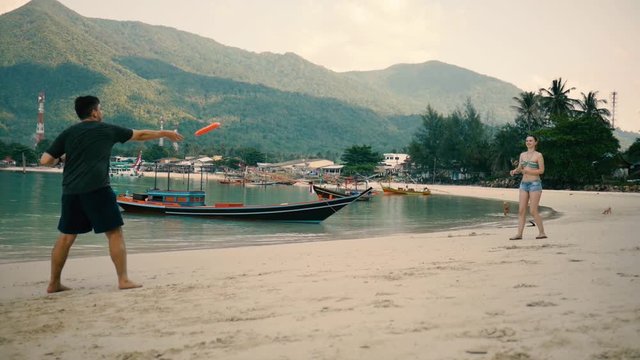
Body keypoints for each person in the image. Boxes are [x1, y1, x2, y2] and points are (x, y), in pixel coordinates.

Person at [40, 95, 184, 293]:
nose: (102, 112)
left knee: (66, 237)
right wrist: (165, 133)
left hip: (71, 191)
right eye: (100, 108)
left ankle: (53, 283)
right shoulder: (106, 129)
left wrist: (62, 159)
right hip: (98, 189)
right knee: (114, 233)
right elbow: (140, 135)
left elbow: (45, 160)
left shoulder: (69, 133)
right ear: (94, 112)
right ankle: (123, 280)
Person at [508, 135, 547, 240]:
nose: (528, 142)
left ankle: (542, 232)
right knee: (521, 210)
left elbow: (541, 171)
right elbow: (520, 167)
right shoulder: (522, 155)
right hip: (523, 184)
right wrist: (514, 171)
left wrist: (528, 171)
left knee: (533, 210)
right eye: (527, 141)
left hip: (535, 184)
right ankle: (519, 234)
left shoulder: (538, 155)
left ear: (535, 142)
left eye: (530, 140)